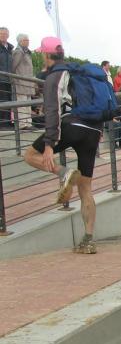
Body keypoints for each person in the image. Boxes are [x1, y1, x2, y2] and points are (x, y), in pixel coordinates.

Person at [23, 36, 105, 254]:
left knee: (30, 155)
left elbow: (53, 110)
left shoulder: (55, 76)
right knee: (85, 187)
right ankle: (88, 240)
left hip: (71, 125)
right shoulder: (79, 73)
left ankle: (64, 173)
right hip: (93, 130)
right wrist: (99, 130)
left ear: (47, 54)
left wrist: (49, 144)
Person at [11, 33, 35, 130]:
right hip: (21, 82)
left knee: (28, 104)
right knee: (22, 104)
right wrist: (14, 80)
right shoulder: (18, 52)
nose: (28, 42)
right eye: (26, 40)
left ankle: (28, 123)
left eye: (28, 40)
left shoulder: (27, 52)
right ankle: (23, 124)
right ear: (20, 41)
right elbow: (13, 67)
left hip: (28, 83)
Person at [0, 27, 13, 128]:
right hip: (1, 79)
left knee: (8, 100)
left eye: (5, 34)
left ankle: (7, 122)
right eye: (1, 34)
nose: (3, 35)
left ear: (8, 35)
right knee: (2, 100)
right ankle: (3, 123)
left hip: (9, 79)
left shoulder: (10, 48)